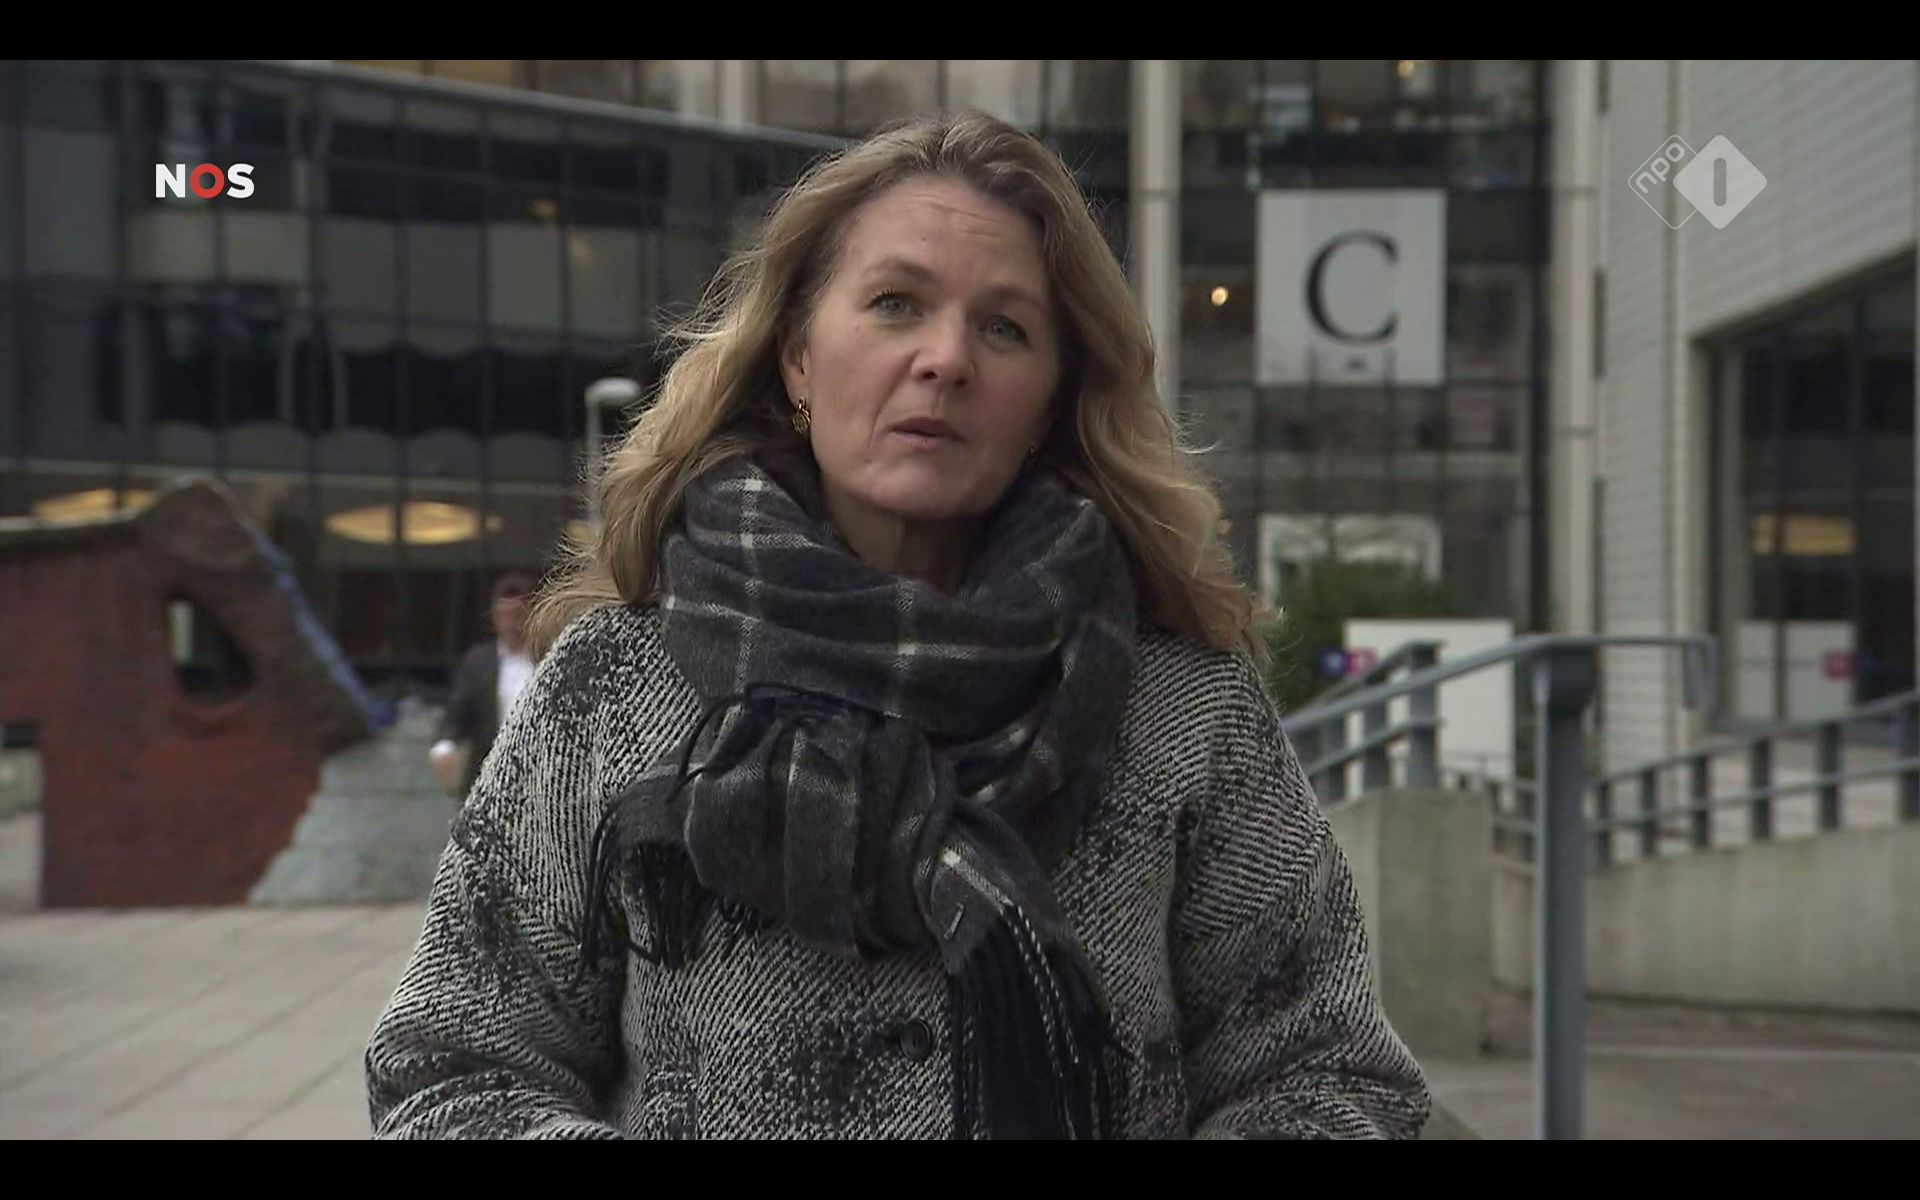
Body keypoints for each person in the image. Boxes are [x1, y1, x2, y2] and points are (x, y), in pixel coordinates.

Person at [366, 112, 1430, 1140]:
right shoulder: (615, 685)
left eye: (1004, 328)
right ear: (797, 356)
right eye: (894, 304)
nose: (946, 359)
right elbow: (452, 1070)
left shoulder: (1182, 707)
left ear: (1049, 400)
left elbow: (1329, 1071)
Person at [428, 570, 536, 803]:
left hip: (536, 776)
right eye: (504, 615)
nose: (511, 623)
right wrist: (445, 746)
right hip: (487, 776)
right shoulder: (479, 661)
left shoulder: (547, 658)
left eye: (517, 615)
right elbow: (458, 711)